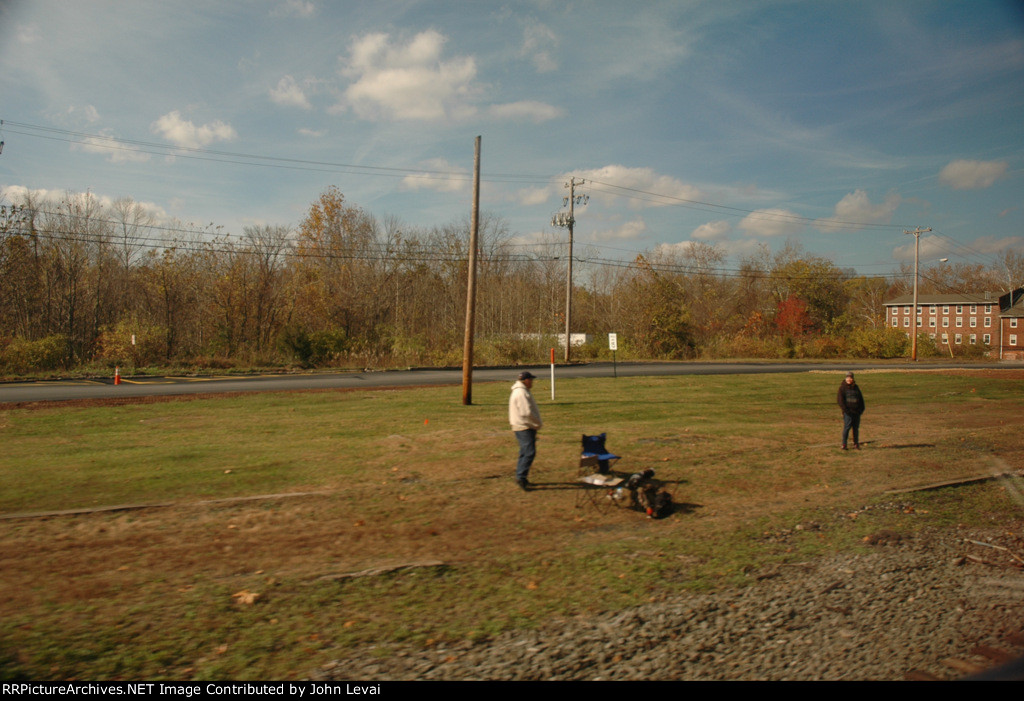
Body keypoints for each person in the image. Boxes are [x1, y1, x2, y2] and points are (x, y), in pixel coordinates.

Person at [509, 370, 542, 490]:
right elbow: (526, 412)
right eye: (531, 380)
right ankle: (521, 478)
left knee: (524, 452)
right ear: (526, 380)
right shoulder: (521, 393)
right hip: (524, 426)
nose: (532, 382)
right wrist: (537, 423)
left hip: (521, 425)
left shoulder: (520, 391)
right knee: (529, 452)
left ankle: (521, 476)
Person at [837, 371, 865, 450]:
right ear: (846, 378)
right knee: (847, 428)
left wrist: (861, 410)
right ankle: (844, 444)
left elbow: (861, 399)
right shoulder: (842, 388)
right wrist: (846, 411)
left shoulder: (856, 387)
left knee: (855, 428)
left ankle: (856, 443)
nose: (849, 379)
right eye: (848, 378)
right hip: (848, 413)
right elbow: (840, 401)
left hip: (856, 412)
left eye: (851, 378)